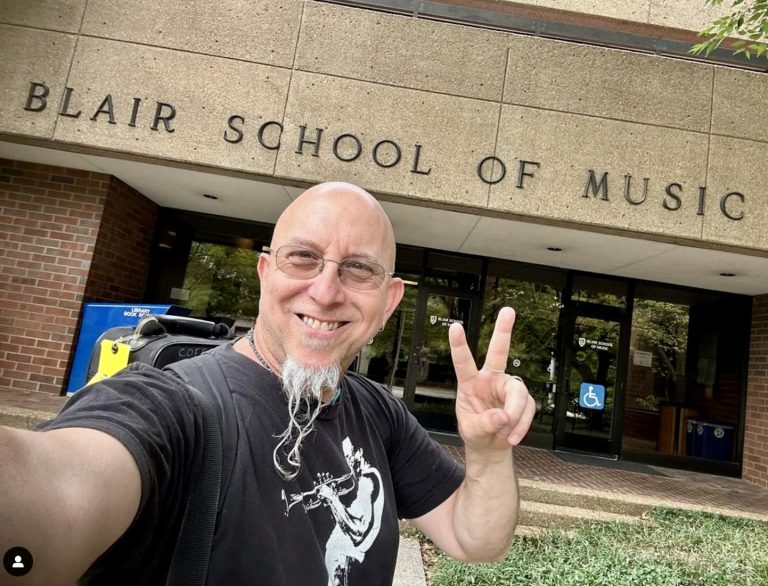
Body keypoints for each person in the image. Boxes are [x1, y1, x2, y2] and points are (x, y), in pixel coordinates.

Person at [0, 181, 535, 585]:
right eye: (303, 257)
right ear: (264, 274)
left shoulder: (377, 411)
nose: (326, 291)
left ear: (390, 300)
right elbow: (48, 493)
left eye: (357, 269)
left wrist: (488, 454)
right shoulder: (172, 408)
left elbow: (474, 539)